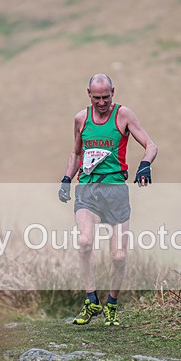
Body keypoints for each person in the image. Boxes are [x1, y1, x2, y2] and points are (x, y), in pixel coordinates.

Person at [58, 73, 158, 326]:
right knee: (84, 241)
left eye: (106, 97)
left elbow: (151, 145)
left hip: (115, 192)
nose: (102, 102)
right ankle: (91, 300)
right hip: (88, 191)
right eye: (97, 98)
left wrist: (145, 165)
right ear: (88, 94)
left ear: (113, 91)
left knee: (118, 257)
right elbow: (76, 153)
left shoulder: (123, 115)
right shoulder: (81, 119)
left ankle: (111, 303)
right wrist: (67, 179)